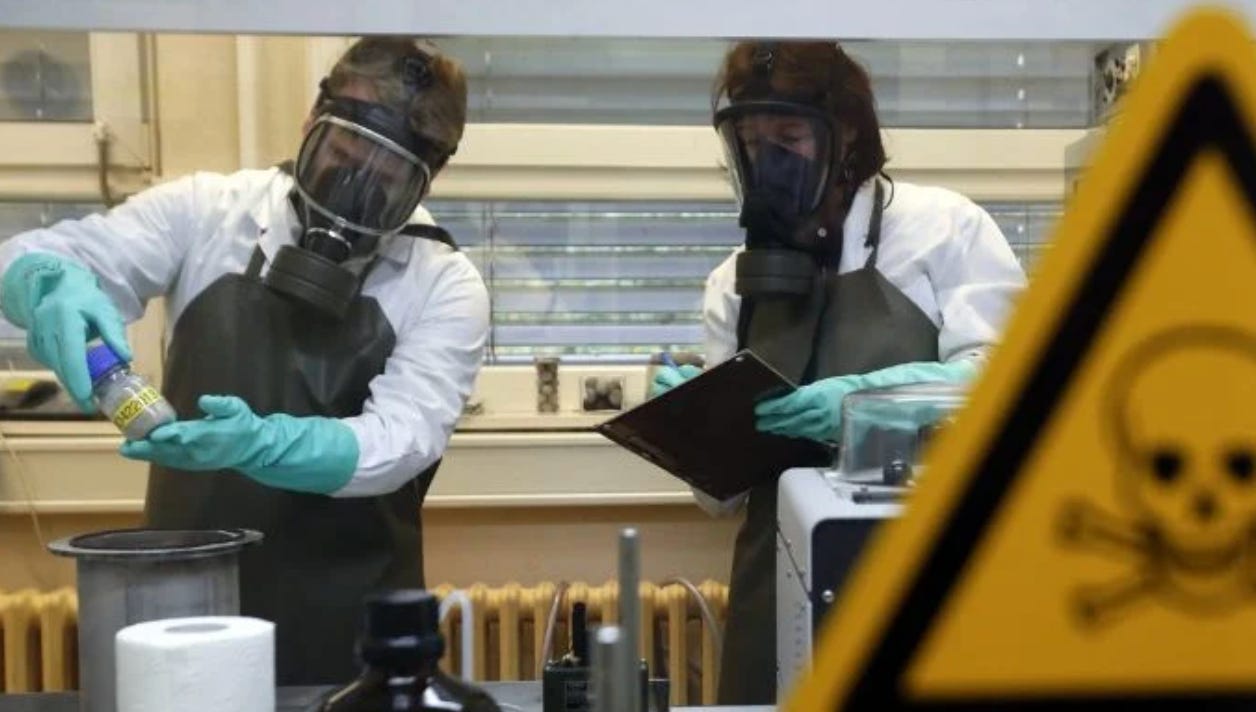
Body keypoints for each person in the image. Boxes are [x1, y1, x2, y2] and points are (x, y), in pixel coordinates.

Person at [0, 38, 489, 684]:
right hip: (183, 610)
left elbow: (402, 439)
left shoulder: (444, 283)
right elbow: (38, 254)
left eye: (385, 180)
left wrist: (261, 443)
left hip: (352, 629)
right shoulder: (207, 213)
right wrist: (45, 284)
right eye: (341, 154)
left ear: (427, 182)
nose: (351, 191)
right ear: (310, 125)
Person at [653, 41, 1027, 704]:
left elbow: (1007, 387)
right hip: (773, 591)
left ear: (845, 133)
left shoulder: (943, 230)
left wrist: (867, 405)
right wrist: (694, 429)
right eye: (752, 141)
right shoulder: (733, 284)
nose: (769, 161)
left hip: (923, 577)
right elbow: (720, 502)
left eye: (789, 137)